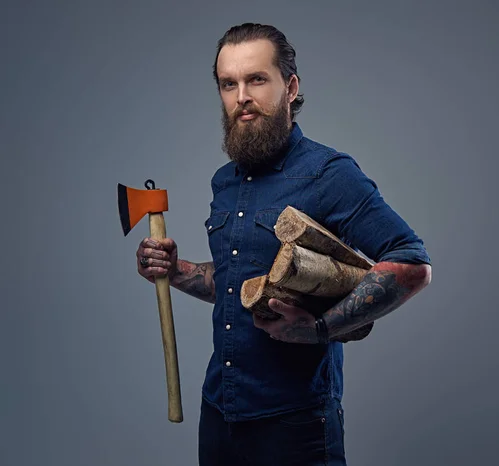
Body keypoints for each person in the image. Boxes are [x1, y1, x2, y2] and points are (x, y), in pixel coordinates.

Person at [135, 23, 432, 466]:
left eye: (256, 79)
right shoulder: (224, 182)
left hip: (295, 423)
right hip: (220, 412)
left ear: (290, 87)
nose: (241, 98)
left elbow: (411, 264)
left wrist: (319, 330)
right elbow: (239, 281)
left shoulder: (329, 173)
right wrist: (178, 272)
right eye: (228, 84)